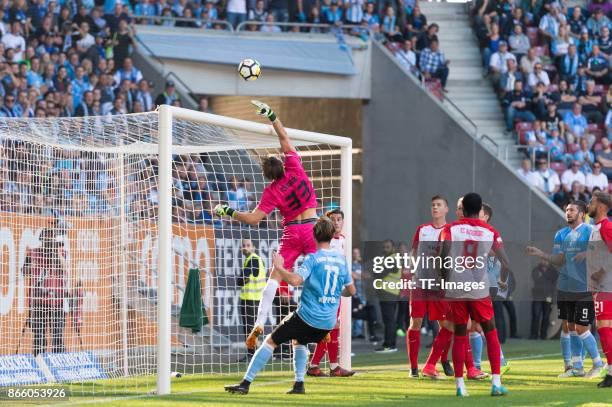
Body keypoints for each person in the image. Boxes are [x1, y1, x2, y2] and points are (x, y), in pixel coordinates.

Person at [214, 100, 318, 350]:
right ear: (282, 165)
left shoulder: (271, 192)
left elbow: (253, 220)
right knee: (319, 276)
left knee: (273, 278)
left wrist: (227, 210)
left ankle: (259, 323)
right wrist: (271, 115)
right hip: (313, 228)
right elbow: (283, 135)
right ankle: (320, 323)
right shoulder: (295, 167)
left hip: (292, 231)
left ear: (267, 176)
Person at [224, 216, 356, 395]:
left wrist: (279, 268)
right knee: (298, 340)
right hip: (328, 323)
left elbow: (295, 280)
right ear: (332, 235)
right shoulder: (342, 261)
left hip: (309, 317)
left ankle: (245, 384)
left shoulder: (313, 259)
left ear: (313, 236)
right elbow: (351, 291)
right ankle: (299, 385)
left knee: (271, 340)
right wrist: (332, 292)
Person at [440, 192, 511, 397]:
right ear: (480, 209)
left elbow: (443, 257)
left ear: (463, 209)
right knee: (490, 332)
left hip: (457, 287)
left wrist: (445, 283)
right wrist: (502, 280)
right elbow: (506, 262)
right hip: (479, 288)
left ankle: (460, 386)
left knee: (461, 334)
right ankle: (496, 382)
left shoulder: (449, 229)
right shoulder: (490, 231)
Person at [527, 201, 604, 378]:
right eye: (567, 210)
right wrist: (541, 254)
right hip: (565, 286)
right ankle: (577, 366)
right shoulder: (561, 234)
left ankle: (598, 363)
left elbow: (603, 253)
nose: (568, 213)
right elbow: (559, 260)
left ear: (582, 213)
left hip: (585, 286)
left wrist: (586, 254)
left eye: (572, 210)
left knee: (582, 327)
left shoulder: (592, 231)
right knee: (570, 327)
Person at [407, 195, 455, 379]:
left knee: (446, 324)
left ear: (446, 209)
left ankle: (442, 359)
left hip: (440, 287)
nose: (435, 207)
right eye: (433, 205)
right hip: (420, 284)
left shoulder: (451, 230)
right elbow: (413, 252)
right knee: (416, 322)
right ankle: (413, 368)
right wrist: (414, 269)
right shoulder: (422, 230)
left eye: (439, 205)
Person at [308, 208, 354, 377]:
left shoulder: (342, 240)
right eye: (332, 219)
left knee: (332, 327)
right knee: (330, 326)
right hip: (324, 291)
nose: (336, 222)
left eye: (339, 219)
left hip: (335, 290)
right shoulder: (323, 243)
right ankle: (329, 367)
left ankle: (321, 366)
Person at [23, 227, 67, 357]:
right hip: (38, 301)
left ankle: (59, 363)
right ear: (41, 240)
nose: (48, 241)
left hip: (56, 301)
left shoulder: (60, 253)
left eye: (51, 239)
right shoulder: (33, 252)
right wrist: (31, 264)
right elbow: (24, 272)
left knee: (58, 336)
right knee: (39, 338)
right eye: (46, 239)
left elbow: (64, 268)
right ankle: (39, 364)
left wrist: (56, 252)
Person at [586, 191, 612, 388]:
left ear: (602, 206)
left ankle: (611, 372)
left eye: (592, 202)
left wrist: (601, 273)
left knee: (604, 328)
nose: (589, 204)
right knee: (605, 328)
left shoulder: (606, 226)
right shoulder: (596, 228)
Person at [238, 239, 266, 357]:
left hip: (251, 299)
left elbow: (240, 280)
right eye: (243, 245)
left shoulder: (253, 259)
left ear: (254, 247)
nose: (245, 247)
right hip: (255, 298)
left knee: (249, 327)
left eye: (248, 245)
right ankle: (253, 352)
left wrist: (242, 279)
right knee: (252, 327)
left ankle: (251, 354)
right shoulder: (255, 260)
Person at [375, 239, 400, 353]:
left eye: (388, 247)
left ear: (393, 248)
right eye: (384, 247)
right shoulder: (393, 258)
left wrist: (373, 273)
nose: (385, 249)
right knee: (391, 320)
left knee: (388, 320)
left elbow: (380, 273)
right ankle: (392, 344)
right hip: (392, 292)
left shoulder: (391, 258)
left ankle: (388, 345)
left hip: (387, 292)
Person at [530, 260, 557, 340]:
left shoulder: (552, 270)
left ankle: (543, 335)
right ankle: (534, 335)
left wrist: (544, 275)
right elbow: (536, 279)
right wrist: (547, 277)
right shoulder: (536, 269)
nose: (544, 262)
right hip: (537, 297)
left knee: (546, 316)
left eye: (546, 260)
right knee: (536, 315)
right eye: (543, 260)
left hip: (548, 297)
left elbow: (555, 278)